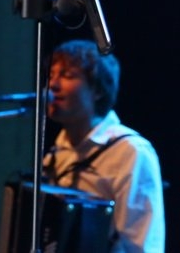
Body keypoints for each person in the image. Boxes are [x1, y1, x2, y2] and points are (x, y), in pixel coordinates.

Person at [42, 39, 165, 253]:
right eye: (51, 75)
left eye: (67, 75)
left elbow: (141, 246)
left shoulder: (131, 152)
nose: (53, 85)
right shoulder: (55, 154)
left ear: (97, 89)